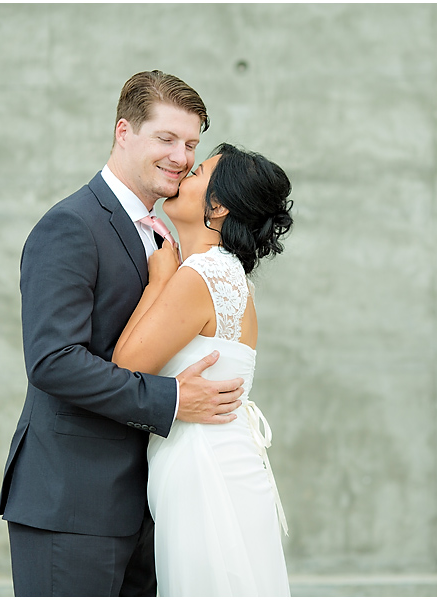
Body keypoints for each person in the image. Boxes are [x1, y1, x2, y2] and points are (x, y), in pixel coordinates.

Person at [0, 71, 247, 597]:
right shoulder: (70, 225)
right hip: (72, 503)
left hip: (149, 507)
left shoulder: (164, 238)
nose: (180, 156)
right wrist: (174, 398)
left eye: (191, 144)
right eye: (166, 138)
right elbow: (54, 360)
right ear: (124, 132)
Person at [113, 142, 294, 596]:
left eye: (195, 174)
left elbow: (125, 366)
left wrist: (159, 280)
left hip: (203, 467)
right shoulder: (230, 274)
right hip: (222, 458)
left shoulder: (201, 275)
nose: (182, 174)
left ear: (219, 204)